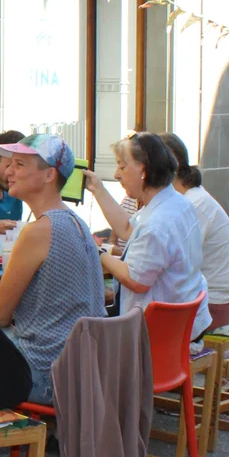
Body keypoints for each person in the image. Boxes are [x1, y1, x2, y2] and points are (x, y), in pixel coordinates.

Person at [0, 134, 105, 405]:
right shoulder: (77, 222)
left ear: (49, 174)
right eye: (10, 163)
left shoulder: (39, 230)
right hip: (83, 370)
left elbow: (0, 315)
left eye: (20, 164)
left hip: (44, 373)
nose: (8, 171)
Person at [90, 133, 210, 339]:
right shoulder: (175, 202)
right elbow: (127, 230)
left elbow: (136, 280)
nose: (117, 174)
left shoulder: (158, 223)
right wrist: (97, 189)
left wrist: (99, 253)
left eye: (122, 166)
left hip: (162, 333)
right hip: (184, 319)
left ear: (143, 170)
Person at [158, 133, 229, 332]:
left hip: (210, 304)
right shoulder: (182, 199)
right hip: (198, 298)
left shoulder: (193, 203)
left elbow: (167, 258)